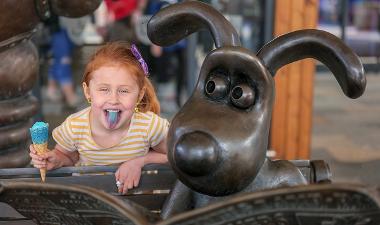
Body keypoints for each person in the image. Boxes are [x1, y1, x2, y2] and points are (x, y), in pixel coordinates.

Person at [30, 42, 169, 194]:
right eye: (104, 89)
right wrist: (55, 159)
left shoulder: (148, 126)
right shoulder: (75, 126)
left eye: (124, 91)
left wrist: (140, 162)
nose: (114, 99)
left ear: (139, 95)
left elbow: (174, 156)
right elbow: (67, 157)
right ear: (88, 92)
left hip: (139, 209)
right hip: (91, 208)